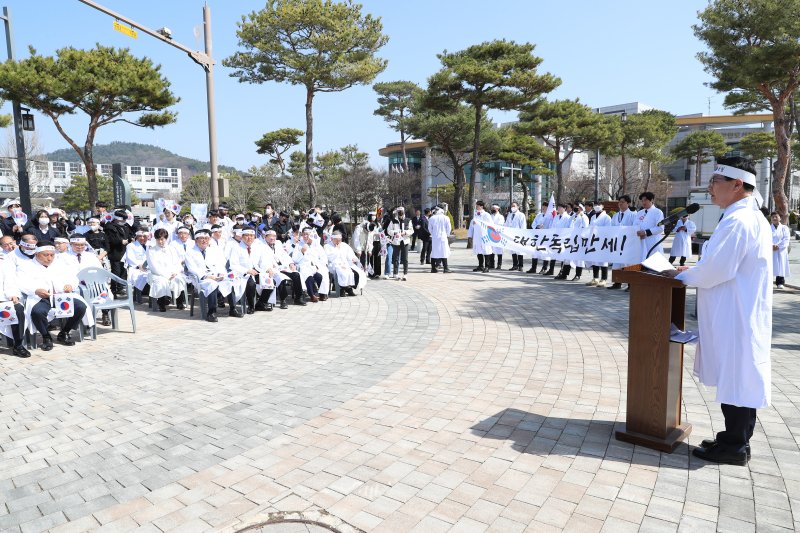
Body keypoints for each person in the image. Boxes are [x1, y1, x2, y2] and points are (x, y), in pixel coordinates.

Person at [669, 157, 772, 466]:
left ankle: (734, 446)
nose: (710, 188)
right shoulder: (742, 217)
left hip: (736, 314)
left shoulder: (740, 220)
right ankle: (734, 440)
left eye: (716, 182)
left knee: (737, 379)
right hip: (737, 310)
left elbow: (717, 269)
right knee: (737, 377)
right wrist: (694, 270)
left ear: (737, 185)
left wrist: (682, 276)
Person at [20, 241, 90, 351]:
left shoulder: (60, 264)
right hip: (40, 298)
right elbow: (21, 283)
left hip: (61, 296)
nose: (49, 258)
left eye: (52, 255)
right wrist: (35, 290)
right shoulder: (27, 266)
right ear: (37, 254)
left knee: (81, 307)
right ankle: (46, 336)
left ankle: (64, 332)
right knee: (37, 312)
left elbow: (73, 278)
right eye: (46, 255)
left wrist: (70, 285)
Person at [184, 229, 238, 322]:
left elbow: (219, 264)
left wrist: (221, 274)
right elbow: (192, 268)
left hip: (215, 276)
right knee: (212, 284)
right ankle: (211, 312)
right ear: (196, 240)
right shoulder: (190, 252)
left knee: (230, 282)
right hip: (201, 279)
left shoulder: (212, 251)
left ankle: (233, 309)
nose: (204, 240)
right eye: (201, 238)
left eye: (206, 238)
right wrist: (206, 276)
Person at [228, 227, 273, 313]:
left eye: (252, 236)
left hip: (255, 271)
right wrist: (247, 271)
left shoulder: (257, 248)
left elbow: (262, 261)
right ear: (242, 236)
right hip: (242, 273)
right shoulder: (236, 248)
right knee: (251, 284)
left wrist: (268, 268)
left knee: (270, 281)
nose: (250, 238)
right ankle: (251, 306)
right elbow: (233, 264)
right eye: (247, 235)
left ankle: (261, 303)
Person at [146, 228, 188, 312]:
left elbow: (177, 263)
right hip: (158, 274)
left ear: (166, 239)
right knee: (161, 281)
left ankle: (180, 302)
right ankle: (161, 303)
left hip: (172, 273)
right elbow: (154, 266)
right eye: (158, 239)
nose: (160, 241)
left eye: (162, 239)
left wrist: (175, 272)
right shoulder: (151, 251)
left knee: (179, 279)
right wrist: (166, 275)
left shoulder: (171, 249)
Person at [0, 255, 31, 358]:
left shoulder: (4, 262)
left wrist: (12, 294)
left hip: (2, 299)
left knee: (18, 309)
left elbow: (10, 281)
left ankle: (18, 345)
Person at [608, 195, 637, 290]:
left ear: (628, 203)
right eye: (619, 202)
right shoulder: (616, 216)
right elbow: (611, 228)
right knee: (617, 263)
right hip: (617, 243)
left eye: (623, 202)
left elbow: (634, 229)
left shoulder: (633, 215)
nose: (620, 204)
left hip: (628, 243)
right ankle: (617, 282)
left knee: (629, 264)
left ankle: (631, 284)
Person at [293, 227, 330, 302]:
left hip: (317, 266)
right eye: (303, 234)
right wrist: (302, 251)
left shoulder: (317, 245)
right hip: (304, 266)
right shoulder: (299, 245)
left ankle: (322, 293)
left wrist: (319, 265)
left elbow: (323, 257)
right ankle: (312, 295)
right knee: (308, 276)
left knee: (321, 275)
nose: (305, 236)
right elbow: (294, 259)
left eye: (307, 234)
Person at [104, 210, 133, 297]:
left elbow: (130, 234)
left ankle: (121, 288)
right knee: (116, 272)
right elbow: (110, 239)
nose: (124, 222)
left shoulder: (125, 226)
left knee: (123, 271)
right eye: (122, 220)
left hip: (124, 252)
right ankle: (114, 289)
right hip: (115, 253)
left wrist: (130, 239)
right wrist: (120, 241)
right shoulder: (109, 227)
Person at [585, 203, 612, 287]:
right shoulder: (593, 217)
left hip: (602, 241)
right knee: (594, 259)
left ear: (602, 206)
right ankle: (595, 278)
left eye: (599, 205)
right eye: (595, 205)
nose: (597, 206)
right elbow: (590, 227)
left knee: (603, 260)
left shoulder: (607, 217)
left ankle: (604, 279)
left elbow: (608, 229)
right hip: (593, 241)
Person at [635, 191, 665, 260]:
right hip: (641, 242)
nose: (643, 202)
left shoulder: (658, 212)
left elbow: (660, 228)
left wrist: (645, 232)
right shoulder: (639, 213)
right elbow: (635, 225)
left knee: (653, 263)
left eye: (645, 200)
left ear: (651, 200)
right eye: (642, 201)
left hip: (652, 242)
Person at [386, 207, 413, 280]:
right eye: (399, 212)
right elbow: (388, 230)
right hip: (396, 242)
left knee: (405, 259)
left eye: (402, 212)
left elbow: (411, 230)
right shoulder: (393, 221)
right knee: (396, 258)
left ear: (404, 212)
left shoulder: (408, 220)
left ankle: (405, 274)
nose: (400, 214)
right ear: (397, 213)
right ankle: (395, 273)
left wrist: (405, 232)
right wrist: (395, 233)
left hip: (405, 241)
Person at [467, 200, 494, 273]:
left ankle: (487, 266)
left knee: (486, 251)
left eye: (477, 206)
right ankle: (480, 266)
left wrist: (478, 223)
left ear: (481, 206)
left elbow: (490, 225)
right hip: (477, 236)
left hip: (484, 235)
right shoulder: (476, 215)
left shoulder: (486, 215)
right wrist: (470, 235)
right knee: (479, 251)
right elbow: (471, 226)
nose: (476, 207)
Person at [527, 201, 550, 273]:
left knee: (544, 252)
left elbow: (551, 226)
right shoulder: (539, 215)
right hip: (537, 236)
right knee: (535, 251)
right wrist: (537, 226)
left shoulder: (550, 216)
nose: (543, 208)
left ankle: (544, 268)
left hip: (545, 236)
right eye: (543, 206)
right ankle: (533, 268)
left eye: (545, 206)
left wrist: (545, 227)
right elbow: (533, 224)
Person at [428, 205, 452, 273]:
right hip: (443, 237)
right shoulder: (446, 218)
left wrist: (433, 234)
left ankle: (433, 268)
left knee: (434, 252)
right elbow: (449, 228)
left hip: (435, 237)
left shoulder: (432, 218)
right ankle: (446, 268)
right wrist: (447, 234)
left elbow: (429, 229)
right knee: (444, 252)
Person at [770, 212, 791, 289]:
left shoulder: (784, 228)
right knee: (770, 266)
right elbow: (765, 238)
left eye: (776, 217)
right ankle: (769, 282)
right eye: (773, 217)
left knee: (781, 265)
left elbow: (786, 239)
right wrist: (771, 245)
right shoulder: (768, 228)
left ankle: (780, 282)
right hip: (771, 249)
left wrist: (778, 246)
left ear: (780, 218)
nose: (774, 218)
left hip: (781, 250)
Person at [505, 202, 526, 271]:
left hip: (518, 235)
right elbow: (507, 224)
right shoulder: (509, 215)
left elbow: (523, 225)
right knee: (513, 250)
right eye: (512, 206)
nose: (512, 207)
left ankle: (520, 266)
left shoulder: (521, 215)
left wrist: (522, 234)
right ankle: (515, 265)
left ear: (518, 207)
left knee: (519, 250)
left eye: (514, 206)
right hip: (511, 235)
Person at [489, 204, 505, 269]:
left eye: (494, 208)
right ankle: (491, 264)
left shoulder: (501, 217)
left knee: (499, 250)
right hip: (491, 234)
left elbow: (500, 224)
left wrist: (493, 226)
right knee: (491, 250)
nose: (493, 209)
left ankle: (499, 264)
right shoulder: (490, 216)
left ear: (498, 209)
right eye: (492, 208)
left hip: (498, 235)